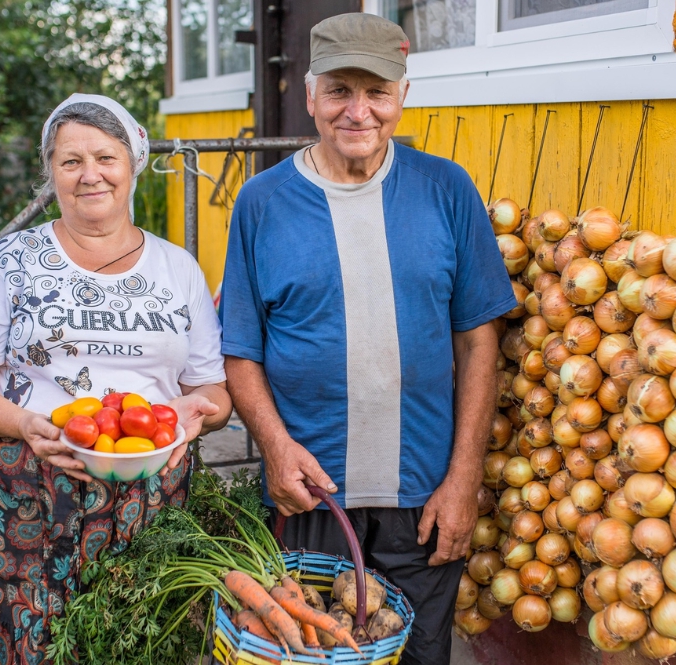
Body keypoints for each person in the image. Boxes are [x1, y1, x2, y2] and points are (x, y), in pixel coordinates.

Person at [219, 13, 515, 663]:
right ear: (309, 94)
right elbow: (240, 348)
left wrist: (464, 476)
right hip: (311, 491)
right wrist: (275, 447)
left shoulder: (446, 189)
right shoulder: (262, 202)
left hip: (424, 494)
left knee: (419, 652)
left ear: (403, 94)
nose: (359, 111)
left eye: (376, 91)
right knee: (309, 652)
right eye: (339, 90)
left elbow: (478, 340)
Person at [0, 93, 231, 664]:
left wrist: (199, 417)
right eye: (71, 161)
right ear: (51, 173)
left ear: (133, 163)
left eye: (105, 157)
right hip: (28, 498)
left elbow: (211, 391)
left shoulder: (178, 269)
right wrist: (23, 421)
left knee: (140, 642)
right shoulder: (11, 261)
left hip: (149, 502)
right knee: (32, 642)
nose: (90, 174)